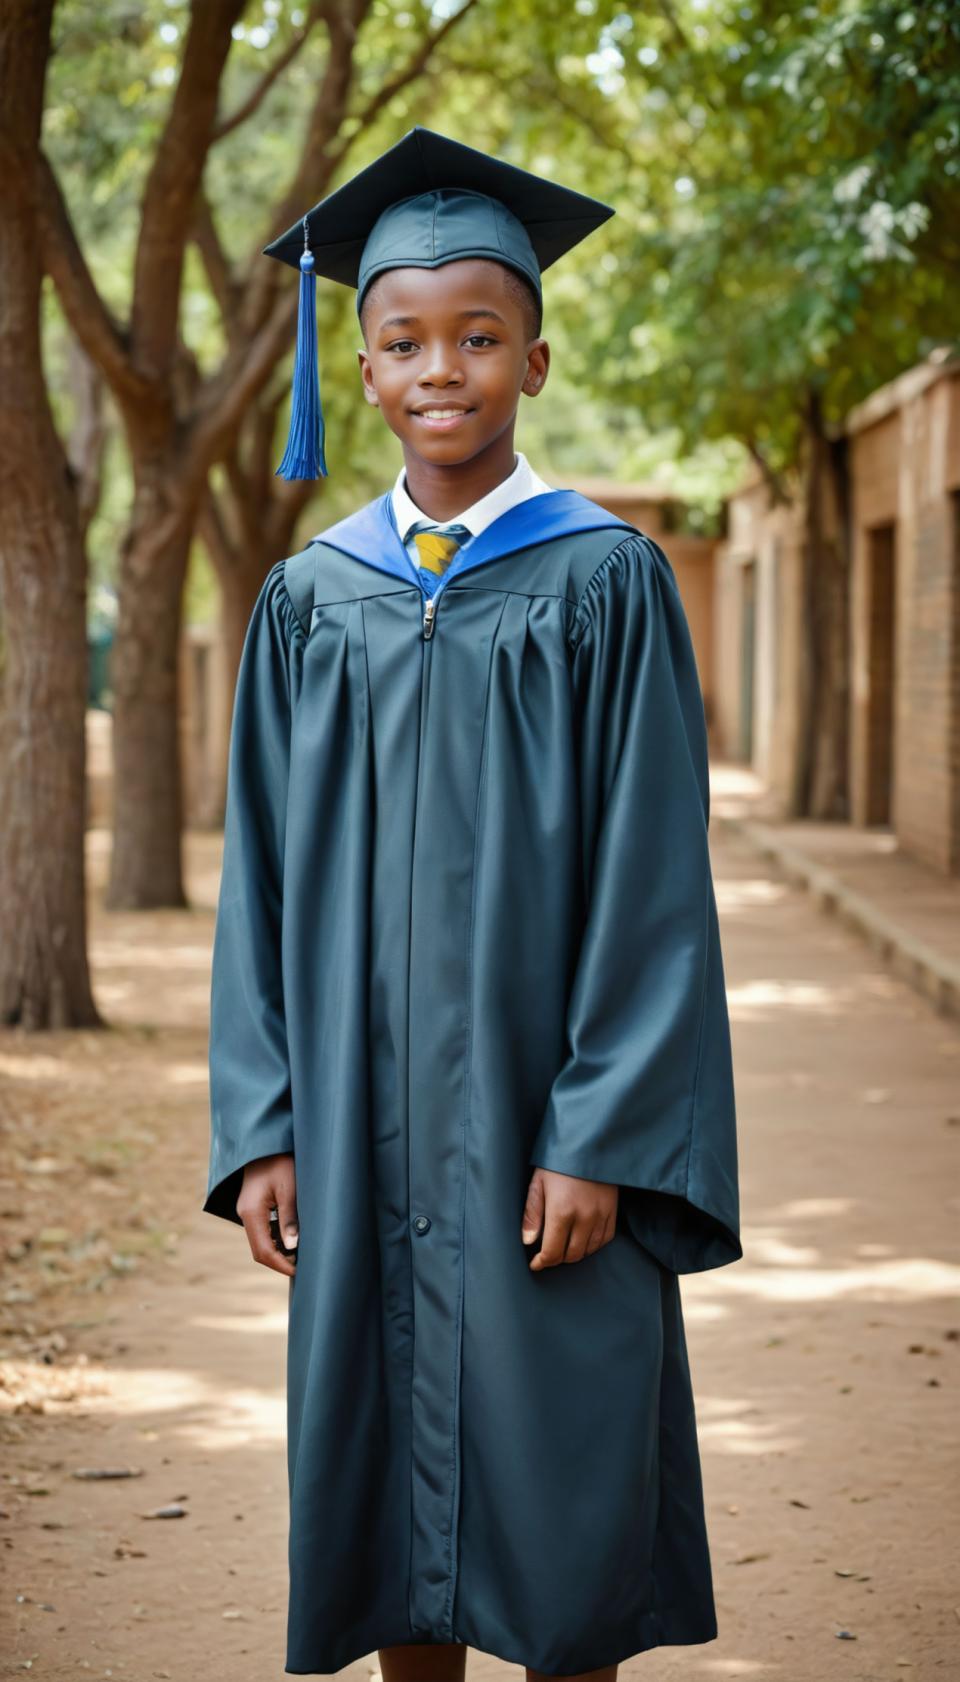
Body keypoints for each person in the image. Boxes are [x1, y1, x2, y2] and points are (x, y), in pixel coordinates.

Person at [204, 126, 742, 1682]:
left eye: (479, 337)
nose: (443, 368)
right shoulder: (311, 603)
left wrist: (602, 1132)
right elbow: (263, 874)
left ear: (538, 360)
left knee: (564, 1490)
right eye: (405, 340)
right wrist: (265, 1120)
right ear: (362, 369)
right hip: (362, 1128)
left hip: (541, 1126)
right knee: (385, 1497)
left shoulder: (604, 583)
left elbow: (655, 883)